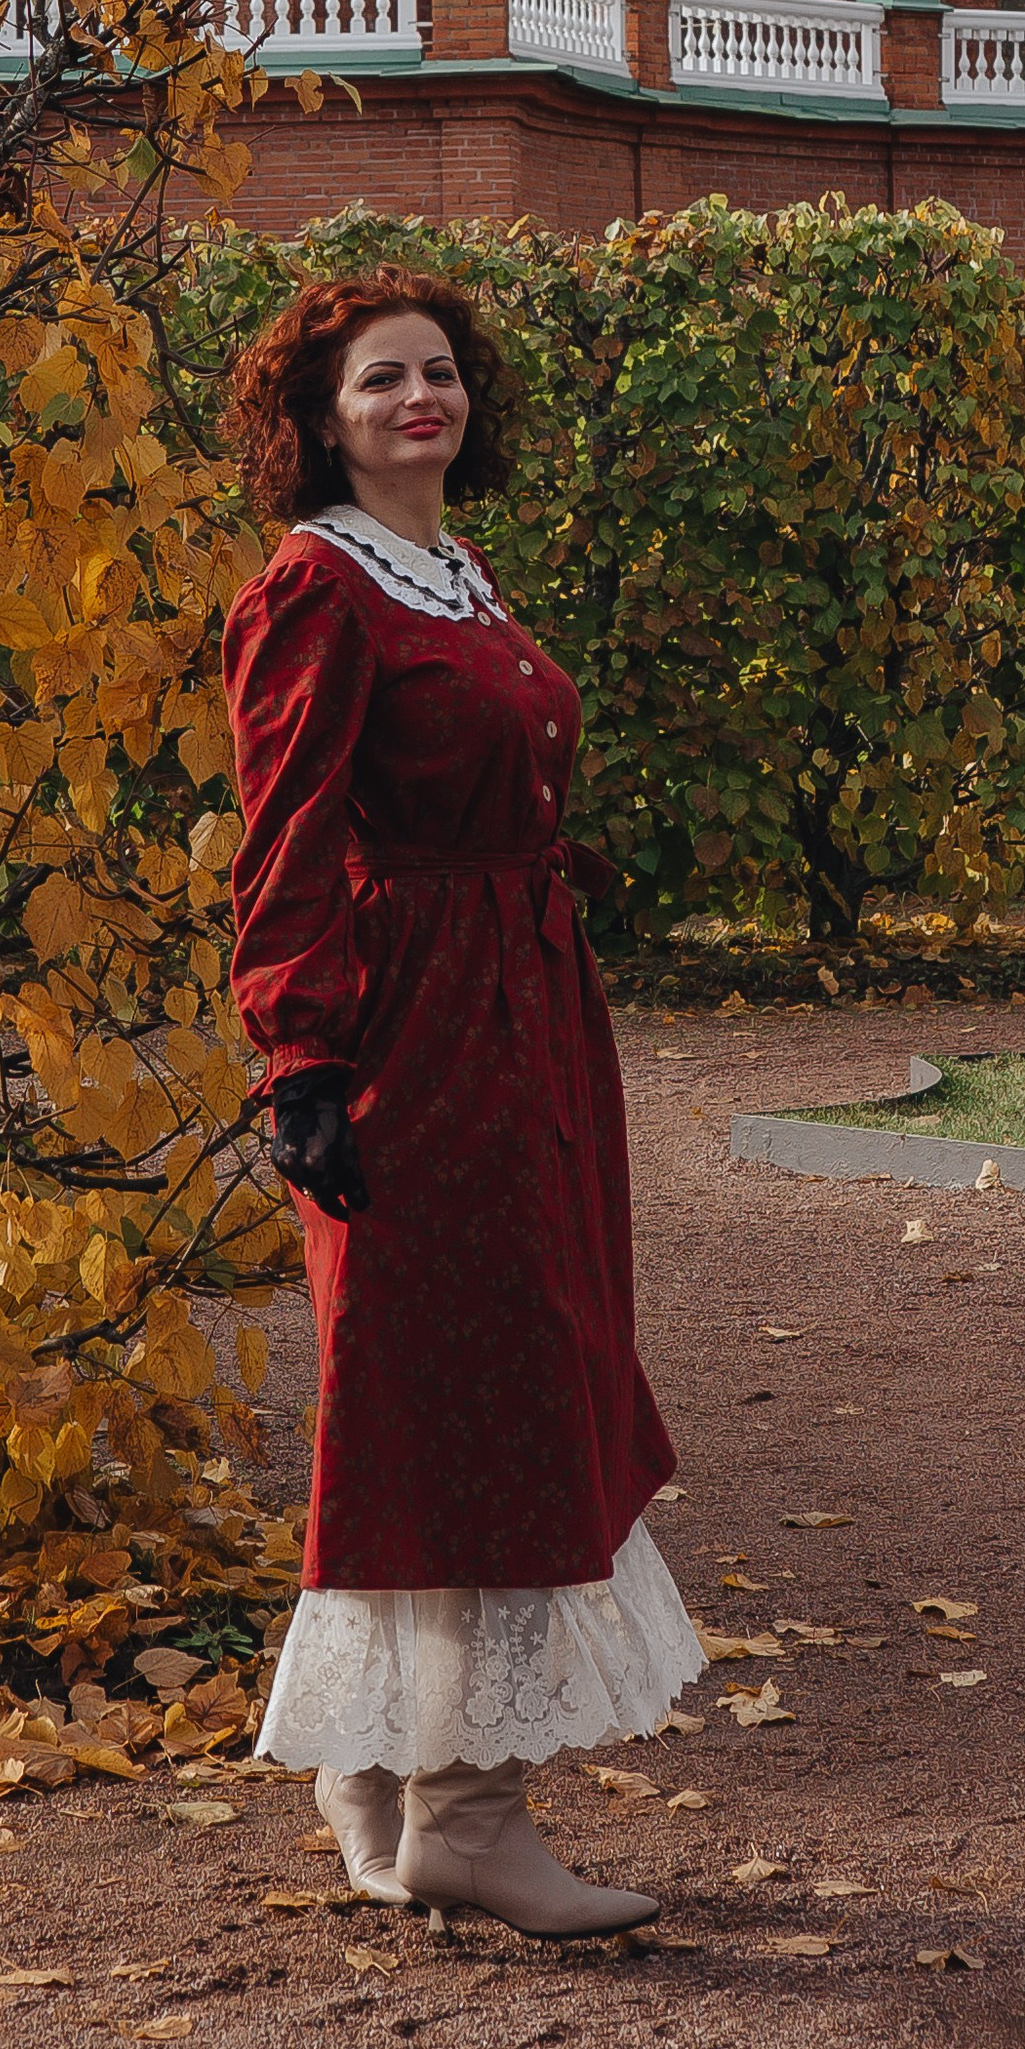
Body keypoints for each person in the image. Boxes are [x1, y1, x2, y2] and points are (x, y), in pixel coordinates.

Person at [221, 266, 699, 1937]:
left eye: (437, 375)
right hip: (417, 1026)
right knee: (456, 1381)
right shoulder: (317, 587)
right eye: (378, 383)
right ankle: (467, 1820)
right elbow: (284, 844)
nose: (419, 400)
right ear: (320, 421)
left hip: (521, 1009)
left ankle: (373, 1785)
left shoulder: (448, 568)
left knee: (458, 1379)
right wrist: (302, 1060)